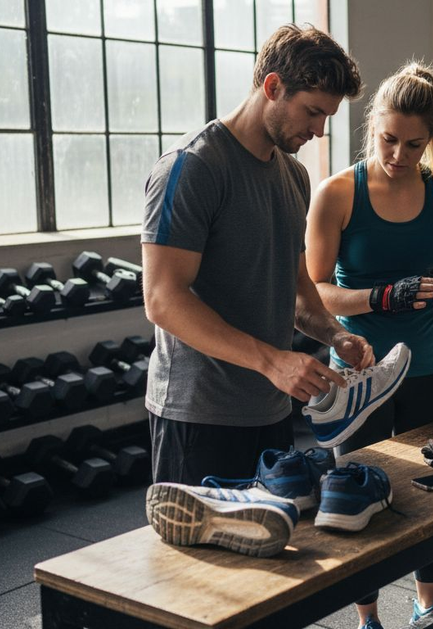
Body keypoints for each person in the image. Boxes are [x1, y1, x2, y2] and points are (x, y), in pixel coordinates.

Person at [141, 24, 372, 488]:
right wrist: (273, 361)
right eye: (312, 112)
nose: (319, 130)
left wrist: (334, 334)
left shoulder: (294, 177)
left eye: (326, 117)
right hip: (199, 415)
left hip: (270, 408)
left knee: (275, 551)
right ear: (272, 87)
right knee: (201, 560)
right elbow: (163, 299)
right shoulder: (193, 167)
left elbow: (295, 287)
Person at [306, 61, 433, 629]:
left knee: (429, 492)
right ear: (372, 127)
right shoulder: (336, 193)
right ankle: (366, 618)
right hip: (356, 375)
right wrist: (380, 298)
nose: (399, 155)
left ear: (430, 139)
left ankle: (427, 603)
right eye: (389, 140)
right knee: (354, 499)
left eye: (414, 144)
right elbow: (312, 296)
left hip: (427, 368)